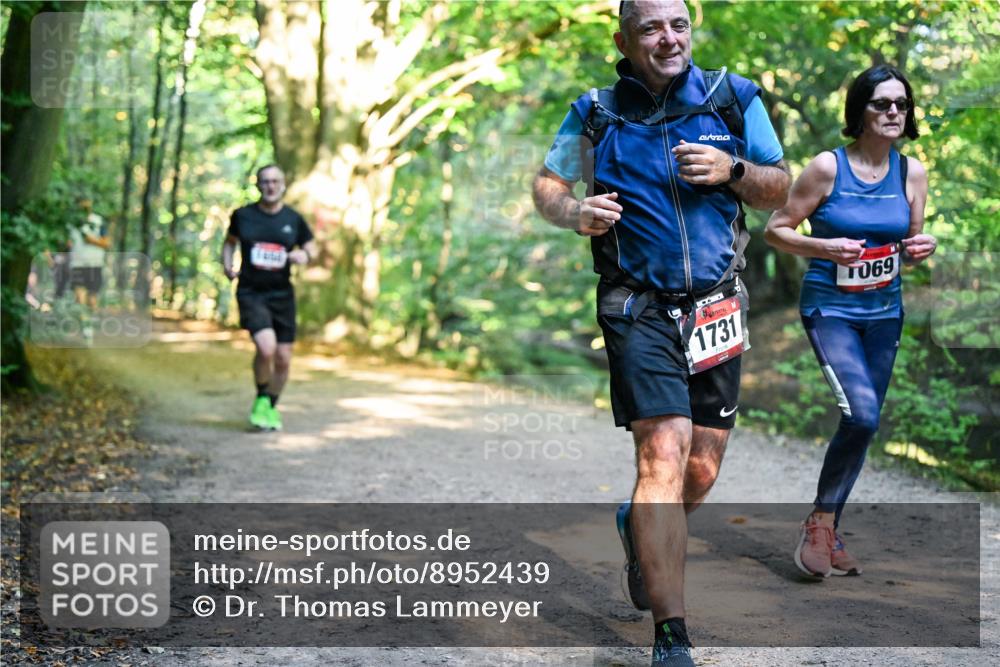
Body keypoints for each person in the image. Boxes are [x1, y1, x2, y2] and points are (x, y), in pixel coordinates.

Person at [532, 2, 790, 665]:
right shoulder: (595, 112)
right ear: (624, 40)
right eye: (651, 27)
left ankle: (637, 525)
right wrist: (574, 210)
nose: (669, 38)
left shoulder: (733, 98)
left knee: (700, 470)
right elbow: (548, 185)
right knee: (663, 454)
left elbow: (779, 187)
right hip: (636, 306)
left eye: (678, 24)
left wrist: (733, 170)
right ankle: (672, 634)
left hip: (716, 306)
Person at [764, 64, 936, 578]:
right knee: (861, 415)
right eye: (882, 103)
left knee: (866, 421)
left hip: (885, 313)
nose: (893, 112)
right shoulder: (827, 168)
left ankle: (828, 527)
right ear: (860, 110)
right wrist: (825, 247)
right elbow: (776, 230)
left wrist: (920, 249)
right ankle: (821, 524)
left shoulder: (912, 172)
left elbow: (906, 249)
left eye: (901, 104)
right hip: (831, 309)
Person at [222, 165, 317, 431]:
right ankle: (262, 397)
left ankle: (269, 406)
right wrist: (227, 265)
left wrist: (304, 255)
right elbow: (229, 242)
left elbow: (311, 247)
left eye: (275, 181)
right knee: (266, 348)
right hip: (251, 292)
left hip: (282, 295)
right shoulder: (243, 216)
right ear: (258, 185)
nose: (270, 186)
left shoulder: (293, 219)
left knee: (284, 358)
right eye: (265, 181)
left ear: (283, 185)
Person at [68, 198, 111, 342]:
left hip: (95, 264)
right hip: (77, 265)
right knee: (79, 297)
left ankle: (89, 326)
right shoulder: (71, 223)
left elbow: (107, 243)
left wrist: (91, 240)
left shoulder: (99, 221)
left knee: (92, 300)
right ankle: (85, 329)